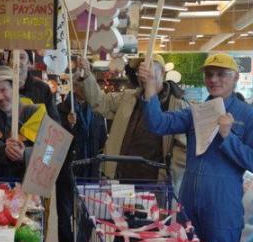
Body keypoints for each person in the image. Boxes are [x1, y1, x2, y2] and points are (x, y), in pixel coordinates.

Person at [139, 53, 253, 242]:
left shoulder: (249, 117)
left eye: (221, 74)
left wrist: (228, 137)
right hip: (189, 205)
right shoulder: (196, 112)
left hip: (223, 206)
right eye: (209, 74)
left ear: (236, 78)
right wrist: (150, 92)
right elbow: (158, 124)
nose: (214, 79)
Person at [78, 54, 188, 191]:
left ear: (162, 73)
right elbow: (101, 102)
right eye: (140, 69)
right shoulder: (128, 97)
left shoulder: (178, 105)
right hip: (120, 180)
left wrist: (170, 178)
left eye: (148, 68)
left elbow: (182, 149)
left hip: (156, 186)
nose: (143, 73)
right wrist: (87, 75)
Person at [56, 78, 107, 242]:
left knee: (88, 211)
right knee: (65, 213)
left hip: (90, 168)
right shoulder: (61, 109)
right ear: (74, 85)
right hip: (67, 168)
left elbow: (102, 137)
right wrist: (68, 126)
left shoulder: (97, 110)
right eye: (79, 82)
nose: (83, 87)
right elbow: (54, 138)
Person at [0, 65, 41, 178]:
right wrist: (4, 150)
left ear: (14, 87)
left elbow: (49, 150)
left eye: (3, 90)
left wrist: (24, 155)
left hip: (30, 180)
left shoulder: (35, 111)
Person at [11, 50, 59, 121]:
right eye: (13, 57)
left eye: (21, 57)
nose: (16, 61)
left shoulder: (42, 89)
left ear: (30, 63)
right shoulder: (2, 88)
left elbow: (54, 121)